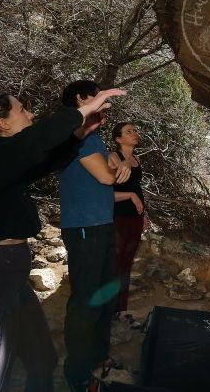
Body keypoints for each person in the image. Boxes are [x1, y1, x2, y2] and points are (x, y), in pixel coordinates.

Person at [0, 89, 124, 392]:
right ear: (2, 124)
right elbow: (36, 141)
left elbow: (43, 160)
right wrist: (80, 110)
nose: (31, 114)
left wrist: (79, 133)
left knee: (43, 361)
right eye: (22, 110)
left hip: (11, 282)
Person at [58, 80, 132, 390]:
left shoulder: (93, 139)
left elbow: (110, 168)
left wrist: (117, 163)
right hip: (84, 226)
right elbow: (105, 175)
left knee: (104, 295)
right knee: (87, 299)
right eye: (97, 97)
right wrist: (118, 166)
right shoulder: (79, 139)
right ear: (80, 99)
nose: (104, 104)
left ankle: (99, 357)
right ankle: (78, 372)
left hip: (100, 224)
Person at [108, 121, 147, 326]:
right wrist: (131, 196)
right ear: (118, 139)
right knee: (115, 263)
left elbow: (137, 189)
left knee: (127, 264)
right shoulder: (114, 158)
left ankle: (121, 310)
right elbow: (107, 194)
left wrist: (144, 214)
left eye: (134, 130)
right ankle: (108, 309)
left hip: (135, 218)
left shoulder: (136, 159)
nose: (134, 133)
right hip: (119, 218)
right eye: (128, 131)